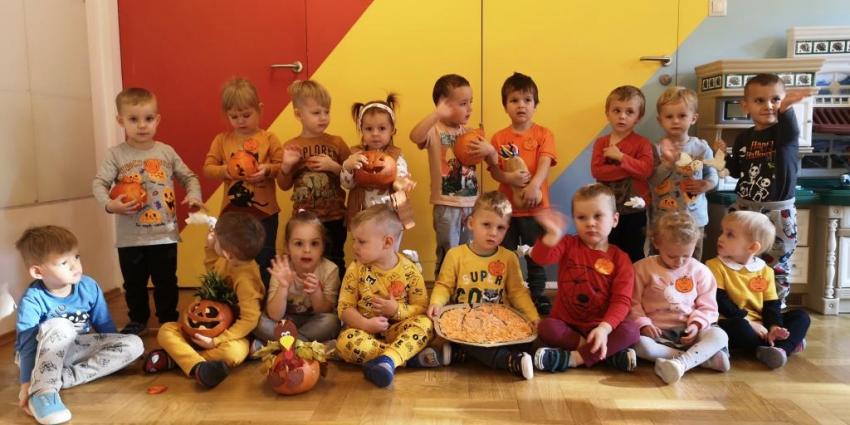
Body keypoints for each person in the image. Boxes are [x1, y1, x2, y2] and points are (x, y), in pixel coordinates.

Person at [92, 87, 203, 336]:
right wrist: (110, 204)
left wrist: (194, 195)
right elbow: (99, 183)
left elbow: (189, 177)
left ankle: (168, 320)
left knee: (166, 281)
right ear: (120, 121)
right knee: (134, 283)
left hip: (164, 234)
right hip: (130, 237)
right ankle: (138, 319)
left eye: (148, 118)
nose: (142, 125)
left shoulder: (166, 152)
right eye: (133, 119)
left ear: (157, 119)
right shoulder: (116, 155)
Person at [15, 226, 143, 425]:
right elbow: (27, 343)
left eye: (76, 257)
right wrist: (26, 384)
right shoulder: (32, 299)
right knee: (61, 325)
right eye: (64, 262)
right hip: (42, 352)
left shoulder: (89, 286)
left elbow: (103, 324)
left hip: (77, 348)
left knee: (135, 343)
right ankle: (42, 391)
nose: (75, 266)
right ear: (38, 272)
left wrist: (119, 350)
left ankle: (62, 378)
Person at [144, 212, 266, 388]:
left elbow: (250, 319)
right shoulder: (229, 260)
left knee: (233, 353)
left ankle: (180, 361)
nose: (212, 238)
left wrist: (216, 341)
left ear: (227, 254)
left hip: (229, 335)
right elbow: (213, 272)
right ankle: (198, 365)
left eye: (216, 239)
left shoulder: (246, 280)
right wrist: (210, 248)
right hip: (203, 330)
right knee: (166, 330)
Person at [427, 191, 540, 379]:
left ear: (507, 229)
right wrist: (436, 303)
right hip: (465, 321)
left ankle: (460, 354)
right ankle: (508, 361)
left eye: (500, 227)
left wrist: (533, 316)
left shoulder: (509, 258)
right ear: (471, 223)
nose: (493, 233)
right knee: (467, 336)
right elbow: (444, 285)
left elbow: (518, 292)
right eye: (486, 225)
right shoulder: (455, 255)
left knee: (527, 341)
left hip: (497, 321)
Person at [721, 73, 811, 307]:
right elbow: (736, 171)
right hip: (744, 208)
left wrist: (787, 108)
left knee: (776, 262)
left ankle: (775, 308)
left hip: (776, 212)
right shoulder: (743, 138)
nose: (769, 106)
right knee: (739, 256)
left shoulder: (784, 133)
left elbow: (790, 128)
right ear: (746, 106)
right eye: (760, 100)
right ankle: (741, 305)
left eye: (775, 100)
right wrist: (722, 155)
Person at [530, 184, 640, 373]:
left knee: (632, 331)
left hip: (603, 326)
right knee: (546, 327)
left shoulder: (621, 259)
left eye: (598, 216)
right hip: (568, 326)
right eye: (582, 217)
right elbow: (540, 258)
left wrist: (604, 329)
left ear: (614, 220)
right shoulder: (567, 244)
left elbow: (621, 301)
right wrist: (552, 235)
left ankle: (574, 358)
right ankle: (606, 355)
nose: (590, 223)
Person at [335, 205, 435, 388]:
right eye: (354, 240)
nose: (354, 247)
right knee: (344, 342)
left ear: (387, 242)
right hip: (364, 332)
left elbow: (421, 307)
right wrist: (365, 324)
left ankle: (388, 360)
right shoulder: (356, 269)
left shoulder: (409, 270)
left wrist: (397, 310)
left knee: (426, 324)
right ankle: (403, 358)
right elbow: (344, 308)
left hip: (399, 329)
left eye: (361, 242)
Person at [487, 72, 557, 315]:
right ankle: (506, 293)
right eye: (514, 100)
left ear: (535, 105)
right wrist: (510, 179)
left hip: (535, 208)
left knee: (535, 255)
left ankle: (537, 295)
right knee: (506, 255)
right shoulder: (499, 137)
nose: (521, 105)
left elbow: (545, 164)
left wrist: (534, 185)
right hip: (506, 210)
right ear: (505, 106)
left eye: (527, 100)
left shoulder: (544, 134)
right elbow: (495, 171)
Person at [631, 212, 730, 384]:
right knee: (639, 344)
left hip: (690, 333)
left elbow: (709, 307)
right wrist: (643, 323)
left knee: (720, 335)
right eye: (672, 256)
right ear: (657, 243)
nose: (679, 262)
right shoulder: (642, 268)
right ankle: (701, 359)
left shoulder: (700, 271)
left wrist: (696, 324)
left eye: (686, 256)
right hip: (657, 334)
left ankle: (680, 363)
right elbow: (632, 302)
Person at [203, 77, 283, 288]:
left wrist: (267, 170)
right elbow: (208, 168)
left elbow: (281, 166)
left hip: (265, 213)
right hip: (233, 214)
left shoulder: (269, 138)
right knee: (232, 258)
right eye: (234, 116)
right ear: (226, 115)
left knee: (265, 258)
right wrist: (227, 171)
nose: (241, 121)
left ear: (259, 109)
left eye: (246, 115)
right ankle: (234, 298)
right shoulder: (222, 140)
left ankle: (264, 300)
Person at [409, 74, 492, 276]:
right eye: (463, 103)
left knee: (469, 251)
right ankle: (443, 286)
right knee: (448, 250)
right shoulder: (435, 130)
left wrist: (489, 150)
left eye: (470, 102)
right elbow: (415, 136)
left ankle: (464, 285)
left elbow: (492, 161)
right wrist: (436, 114)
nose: (469, 108)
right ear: (443, 105)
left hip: (472, 204)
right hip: (446, 205)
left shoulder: (470, 132)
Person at [707, 211, 810, 369]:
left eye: (730, 234)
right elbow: (720, 301)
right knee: (738, 327)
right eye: (722, 232)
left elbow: (771, 305)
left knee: (801, 316)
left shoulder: (765, 270)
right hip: (733, 321)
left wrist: (774, 327)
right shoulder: (715, 265)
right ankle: (783, 345)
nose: (720, 238)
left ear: (752, 247)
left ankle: (780, 348)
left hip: (762, 324)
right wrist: (749, 322)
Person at [277, 80, 350, 279]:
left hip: (334, 217)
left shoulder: (336, 142)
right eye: (316, 113)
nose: (323, 117)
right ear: (298, 114)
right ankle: (307, 295)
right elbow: (283, 185)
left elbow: (352, 178)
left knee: (335, 260)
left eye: (327, 112)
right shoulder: (291, 146)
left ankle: (336, 297)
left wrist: (334, 167)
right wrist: (286, 166)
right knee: (305, 262)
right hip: (304, 220)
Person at [649, 86, 718, 260]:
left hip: (694, 218)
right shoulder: (656, 149)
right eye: (669, 117)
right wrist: (667, 164)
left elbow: (712, 173)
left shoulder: (701, 147)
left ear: (693, 118)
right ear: (660, 120)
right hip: (663, 219)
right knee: (661, 260)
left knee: (692, 260)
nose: (675, 121)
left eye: (682, 116)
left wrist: (707, 184)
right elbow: (651, 181)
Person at [255, 210, 340, 343]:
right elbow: (274, 315)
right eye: (299, 243)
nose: (307, 250)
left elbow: (325, 311)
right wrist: (283, 286)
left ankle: (286, 344)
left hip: (313, 322)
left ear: (323, 246)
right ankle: (301, 344)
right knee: (258, 321)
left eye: (314, 243)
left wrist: (316, 292)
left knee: (332, 321)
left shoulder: (330, 270)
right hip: (284, 321)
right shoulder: (281, 268)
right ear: (287, 247)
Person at [591, 85, 653, 262]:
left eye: (629, 112)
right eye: (617, 110)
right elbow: (597, 171)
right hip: (607, 209)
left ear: (639, 117)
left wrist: (621, 157)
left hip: (635, 209)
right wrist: (630, 170)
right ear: (608, 113)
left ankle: (634, 280)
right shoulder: (601, 143)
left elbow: (645, 170)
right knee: (608, 250)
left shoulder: (642, 143)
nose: (622, 116)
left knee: (634, 251)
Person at [341, 94, 416, 231]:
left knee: (389, 242)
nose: (375, 133)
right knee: (364, 241)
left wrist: (400, 183)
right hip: (362, 214)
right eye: (369, 129)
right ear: (361, 130)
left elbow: (401, 177)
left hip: (390, 216)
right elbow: (347, 184)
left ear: (392, 130)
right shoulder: (356, 155)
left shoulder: (396, 156)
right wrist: (347, 166)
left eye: (382, 128)